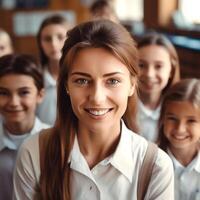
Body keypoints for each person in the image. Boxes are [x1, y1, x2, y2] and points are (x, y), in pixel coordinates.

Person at [13, 20, 174, 200]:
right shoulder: (34, 153)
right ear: (66, 85)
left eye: (112, 81)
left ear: (132, 84)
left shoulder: (156, 167)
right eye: (82, 80)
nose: (97, 98)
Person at [0, 54, 50, 200]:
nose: (14, 102)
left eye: (24, 92)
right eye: (3, 93)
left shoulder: (55, 141)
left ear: (40, 95)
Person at [158, 78, 200, 200]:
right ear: (162, 119)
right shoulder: (148, 163)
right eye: (172, 118)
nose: (180, 129)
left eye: (191, 121)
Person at [135, 33, 180, 142]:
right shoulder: (119, 109)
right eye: (141, 65)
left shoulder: (181, 110)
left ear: (171, 70)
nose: (149, 74)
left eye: (158, 66)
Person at [36, 14, 72, 125]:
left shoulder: (82, 77)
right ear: (40, 43)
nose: (53, 44)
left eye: (60, 37)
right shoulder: (35, 78)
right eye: (47, 39)